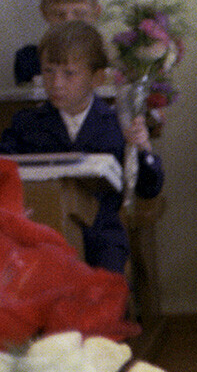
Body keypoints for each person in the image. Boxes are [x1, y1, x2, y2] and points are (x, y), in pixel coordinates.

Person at [0, 20, 161, 275]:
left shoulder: (116, 124)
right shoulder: (26, 124)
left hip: (101, 234)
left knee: (105, 285)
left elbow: (149, 187)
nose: (56, 83)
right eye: (49, 71)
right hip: (41, 230)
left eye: (69, 73)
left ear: (97, 78)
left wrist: (143, 149)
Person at [14, 0, 100, 88]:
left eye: (79, 14)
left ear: (96, 12)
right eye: (59, 14)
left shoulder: (105, 58)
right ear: (44, 13)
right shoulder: (29, 60)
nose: (69, 21)